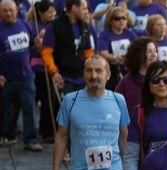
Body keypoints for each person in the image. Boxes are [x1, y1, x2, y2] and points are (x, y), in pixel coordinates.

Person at [0, 0, 42, 150]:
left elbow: (32, 48)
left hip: (26, 75)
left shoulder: (26, 25)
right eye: (5, 11)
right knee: (5, 108)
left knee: (29, 107)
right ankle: (6, 134)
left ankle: (30, 140)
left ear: (17, 9)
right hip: (6, 77)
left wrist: (37, 46)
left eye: (11, 10)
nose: (8, 13)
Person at [42, 0, 97, 95]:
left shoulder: (85, 25)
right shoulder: (54, 25)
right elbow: (46, 53)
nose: (87, 11)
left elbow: (88, 50)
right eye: (84, 8)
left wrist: (89, 67)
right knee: (69, 108)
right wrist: (54, 72)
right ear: (74, 8)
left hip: (82, 77)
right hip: (63, 78)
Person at [26, 0, 57, 143]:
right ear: (40, 13)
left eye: (53, 12)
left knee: (48, 99)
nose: (52, 14)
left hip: (49, 67)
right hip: (36, 67)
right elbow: (29, 49)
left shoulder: (54, 26)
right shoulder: (33, 26)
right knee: (34, 100)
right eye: (49, 12)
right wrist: (36, 44)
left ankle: (47, 130)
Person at [96, 3, 135, 88]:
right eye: (118, 19)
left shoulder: (130, 34)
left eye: (124, 18)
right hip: (111, 72)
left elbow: (138, 49)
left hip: (129, 70)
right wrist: (116, 58)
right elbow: (103, 53)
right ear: (111, 21)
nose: (122, 21)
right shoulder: (104, 35)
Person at [113, 35, 156, 110]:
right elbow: (115, 106)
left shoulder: (161, 78)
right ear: (138, 55)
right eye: (149, 51)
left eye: (155, 51)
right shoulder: (126, 82)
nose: (154, 55)